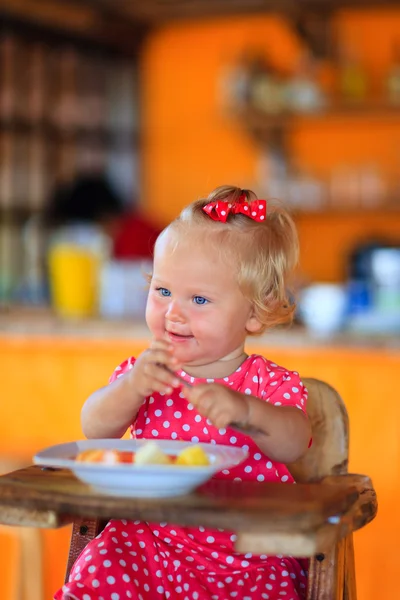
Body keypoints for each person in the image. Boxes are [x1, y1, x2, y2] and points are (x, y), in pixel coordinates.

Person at [55, 185, 312, 600]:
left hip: (248, 554)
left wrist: (247, 410)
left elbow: (295, 442)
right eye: (163, 291)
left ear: (255, 312)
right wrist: (132, 387)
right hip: (151, 541)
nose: (173, 312)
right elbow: (93, 426)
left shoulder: (268, 384)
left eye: (198, 298)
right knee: (103, 560)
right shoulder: (147, 373)